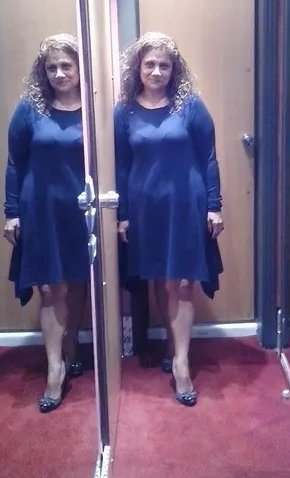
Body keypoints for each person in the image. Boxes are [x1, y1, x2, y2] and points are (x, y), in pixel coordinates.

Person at [114, 32, 224, 407]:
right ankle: (172, 343)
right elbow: (121, 166)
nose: (157, 71)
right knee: (161, 279)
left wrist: (214, 205)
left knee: (183, 281)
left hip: (186, 203)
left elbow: (209, 158)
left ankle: (181, 363)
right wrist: (123, 216)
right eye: (150, 64)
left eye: (164, 65)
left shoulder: (191, 106)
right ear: (138, 68)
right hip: (146, 206)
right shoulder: (124, 112)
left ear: (174, 69)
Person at [3, 33, 89, 414]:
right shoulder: (29, 109)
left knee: (78, 282)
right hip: (40, 209)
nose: (59, 73)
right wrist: (12, 211)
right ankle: (55, 369)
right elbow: (14, 163)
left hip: (81, 209)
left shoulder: (95, 110)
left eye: (66, 65)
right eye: (51, 67)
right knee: (50, 286)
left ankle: (71, 349)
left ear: (80, 68)